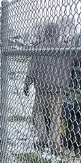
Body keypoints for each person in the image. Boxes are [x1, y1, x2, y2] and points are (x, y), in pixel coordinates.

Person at [24, 23, 72, 154]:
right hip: (58, 90)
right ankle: (55, 146)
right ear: (58, 33)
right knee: (55, 117)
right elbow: (71, 68)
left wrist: (27, 82)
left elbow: (32, 68)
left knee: (37, 113)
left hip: (42, 88)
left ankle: (43, 138)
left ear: (46, 33)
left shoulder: (39, 48)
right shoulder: (66, 49)